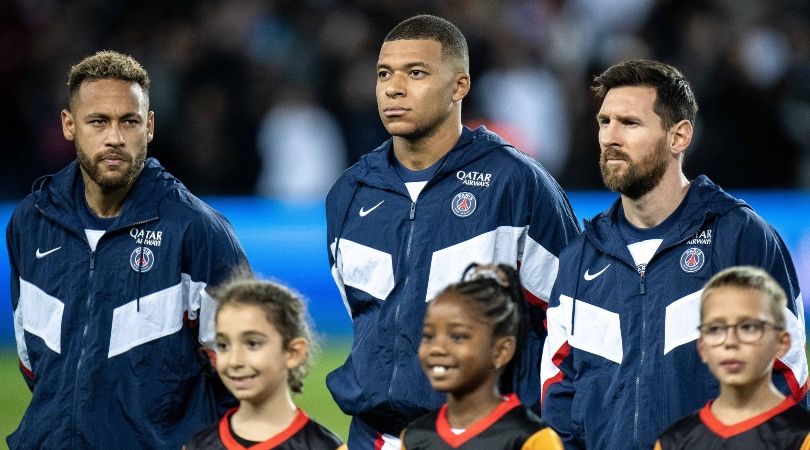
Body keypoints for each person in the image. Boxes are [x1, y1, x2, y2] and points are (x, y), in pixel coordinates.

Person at [325, 14, 580, 450]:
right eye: (384, 74)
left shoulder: (515, 184)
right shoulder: (350, 191)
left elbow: (572, 324)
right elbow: (366, 321)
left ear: (460, 86)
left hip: (485, 438)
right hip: (373, 438)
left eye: (416, 73)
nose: (394, 88)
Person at [540, 59, 808, 450]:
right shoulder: (581, 255)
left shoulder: (738, 236)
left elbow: (787, 376)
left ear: (679, 136)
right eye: (604, 122)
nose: (610, 137)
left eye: (629, 123)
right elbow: (558, 394)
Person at [6, 51, 248, 449]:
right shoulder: (31, 222)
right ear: (69, 125)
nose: (115, 137)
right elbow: (32, 361)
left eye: (129, 121)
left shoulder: (197, 230)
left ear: (149, 125)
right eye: (98, 121)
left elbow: (244, 375)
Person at [401, 263, 564, 450]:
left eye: (458, 337)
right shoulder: (413, 437)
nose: (437, 348)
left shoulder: (531, 438)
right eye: (429, 336)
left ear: (501, 351)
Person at [184, 270, 346, 450]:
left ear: (293, 353)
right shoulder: (197, 446)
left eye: (252, 343)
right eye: (223, 345)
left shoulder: (324, 447)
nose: (234, 361)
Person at [654, 266, 810, 450]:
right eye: (716, 329)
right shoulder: (672, 441)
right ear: (702, 347)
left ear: (782, 342)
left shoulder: (801, 436)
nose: (730, 342)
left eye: (748, 327)